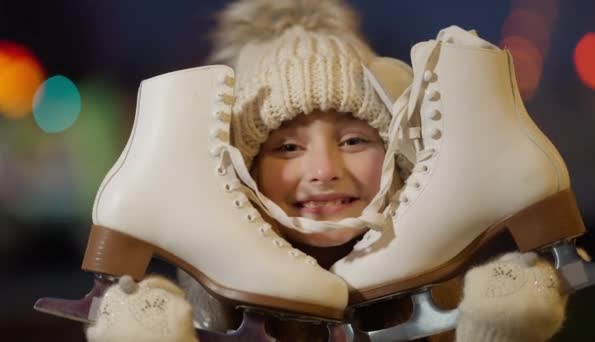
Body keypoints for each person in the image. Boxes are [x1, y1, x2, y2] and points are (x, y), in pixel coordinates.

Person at [86, 1, 568, 341]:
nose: (323, 170)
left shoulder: (447, 269)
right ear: (239, 171)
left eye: (355, 140)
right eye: (288, 147)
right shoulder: (202, 305)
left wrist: (494, 332)